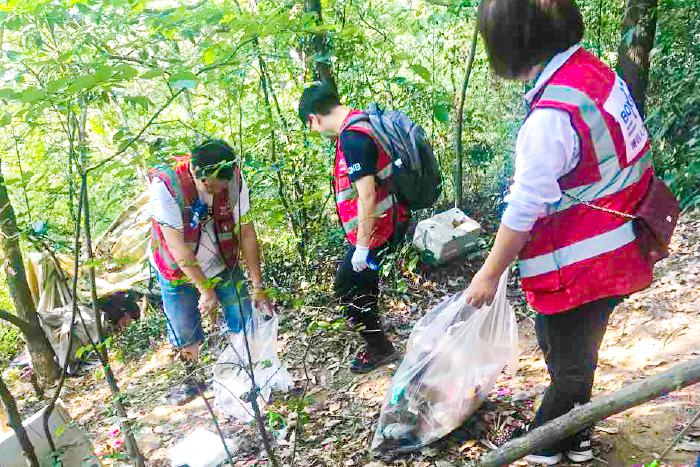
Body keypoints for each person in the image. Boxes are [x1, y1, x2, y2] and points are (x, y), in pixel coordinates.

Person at [465, 0, 655, 463]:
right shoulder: (592, 73)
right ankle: (577, 435)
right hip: (616, 244)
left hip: (583, 263)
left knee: (569, 364)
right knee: (566, 347)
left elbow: (524, 207)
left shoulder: (551, 118)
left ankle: (546, 443)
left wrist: (489, 273)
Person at [148, 139, 274, 403]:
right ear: (194, 170)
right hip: (178, 270)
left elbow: (247, 233)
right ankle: (193, 379)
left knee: (243, 316)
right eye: (210, 186)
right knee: (184, 329)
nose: (216, 192)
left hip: (222, 261)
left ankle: (250, 375)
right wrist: (205, 289)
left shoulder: (235, 180)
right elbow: (177, 246)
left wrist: (258, 286)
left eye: (221, 187)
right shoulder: (167, 187)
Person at [298, 82, 409, 373]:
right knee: (363, 283)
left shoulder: (352, 138)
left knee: (346, 286)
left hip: (379, 229)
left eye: (310, 127)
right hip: (387, 222)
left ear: (314, 118)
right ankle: (378, 339)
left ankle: (379, 348)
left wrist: (362, 247)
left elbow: (367, 196)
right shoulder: (360, 122)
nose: (315, 132)